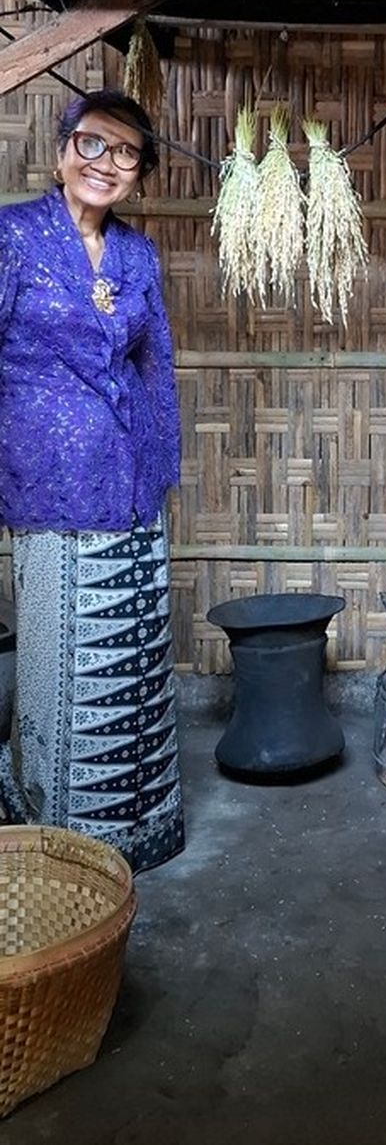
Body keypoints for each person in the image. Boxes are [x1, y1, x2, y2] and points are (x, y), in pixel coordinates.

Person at [0, 89, 185, 872]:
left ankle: (142, 826)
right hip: (46, 483)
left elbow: (158, 367)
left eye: (125, 153)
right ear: (60, 152)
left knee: (134, 659)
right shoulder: (12, 238)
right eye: (90, 144)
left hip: (130, 486)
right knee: (61, 665)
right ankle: (65, 842)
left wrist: (160, 470)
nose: (104, 163)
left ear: (140, 174)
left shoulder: (139, 256)